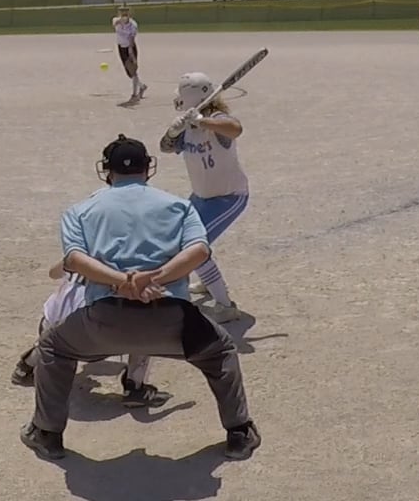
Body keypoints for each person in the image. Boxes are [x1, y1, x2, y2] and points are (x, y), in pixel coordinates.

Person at [20, 136, 259, 462]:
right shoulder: (179, 206)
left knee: (52, 346)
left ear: (107, 171)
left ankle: (46, 434)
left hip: (103, 321)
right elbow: (199, 251)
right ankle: (239, 433)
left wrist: (122, 281)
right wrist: (155, 278)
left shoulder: (81, 210)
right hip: (174, 322)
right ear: (149, 168)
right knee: (221, 352)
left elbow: (74, 260)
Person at [158, 72, 250, 323]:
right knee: (182, 239)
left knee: (193, 248)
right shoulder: (188, 124)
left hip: (228, 196)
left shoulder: (216, 120)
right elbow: (165, 148)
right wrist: (173, 132)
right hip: (201, 196)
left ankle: (226, 306)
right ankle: (210, 283)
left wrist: (202, 121)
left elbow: (235, 128)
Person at [9, 259, 164, 408]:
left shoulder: (78, 257)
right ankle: (134, 388)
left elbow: (53, 274)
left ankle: (26, 366)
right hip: (93, 343)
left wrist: (70, 263)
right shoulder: (125, 265)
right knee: (145, 321)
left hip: (52, 334)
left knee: (57, 327)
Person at [112, 5, 147, 103]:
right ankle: (142, 86)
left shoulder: (133, 25)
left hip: (130, 48)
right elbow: (114, 24)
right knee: (129, 73)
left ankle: (134, 94)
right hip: (121, 48)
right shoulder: (116, 20)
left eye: (126, 13)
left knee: (132, 70)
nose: (124, 14)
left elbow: (132, 39)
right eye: (122, 12)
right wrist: (121, 21)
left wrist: (131, 52)